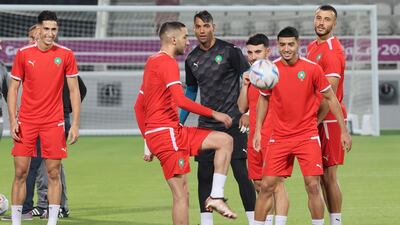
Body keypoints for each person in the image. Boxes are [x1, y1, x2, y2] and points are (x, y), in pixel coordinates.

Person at [134, 21, 237, 225]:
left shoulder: (152, 61)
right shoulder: (167, 62)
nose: (188, 41)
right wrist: (214, 113)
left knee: (225, 141)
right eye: (185, 37)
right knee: (181, 196)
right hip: (166, 135)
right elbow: (181, 101)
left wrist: (148, 140)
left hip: (170, 132)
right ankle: (214, 197)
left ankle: (216, 197)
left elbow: (139, 106)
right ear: (173, 39)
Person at [252, 27, 352, 225]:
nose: (286, 49)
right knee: (266, 186)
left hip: (307, 136)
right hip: (279, 137)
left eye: (290, 44)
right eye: (282, 45)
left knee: (313, 185)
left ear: (298, 44)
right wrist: (258, 130)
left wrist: (344, 131)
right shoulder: (271, 70)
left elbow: (331, 98)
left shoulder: (312, 68)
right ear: (277, 45)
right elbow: (264, 100)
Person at [180, 10, 256, 225]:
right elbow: (191, 93)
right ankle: (206, 222)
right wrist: (180, 121)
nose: (202, 30)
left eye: (206, 26)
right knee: (204, 175)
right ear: (194, 29)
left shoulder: (230, 51)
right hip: (206, 125)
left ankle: (254, 221)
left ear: (213, 27)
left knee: (241, 173)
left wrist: (248, 113)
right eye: (198, 27)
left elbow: (249, 80)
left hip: (234, 121)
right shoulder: (192, 59)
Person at [7, 10, 81, 225]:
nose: (50, 33)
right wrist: (13, 120)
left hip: (53, 122)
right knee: (21, 172)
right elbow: (13, 89)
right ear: (38, 29)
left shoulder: (66, 54)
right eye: (46, 29)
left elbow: (74, 90)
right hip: (27, 122)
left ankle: (52, 222)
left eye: (54, 29)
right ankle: (15, 222)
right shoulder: (23, 53)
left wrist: (75, 123)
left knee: (53, 173)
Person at [237, 33, 289, 225]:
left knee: (276, 184)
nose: (253, 56)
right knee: (258, 183)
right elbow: (242, 107)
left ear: (267, 51)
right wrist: (244, 85)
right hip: (255, 136)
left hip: (274, 135)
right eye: (249, 52)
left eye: (257, 52)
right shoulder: (251, 76)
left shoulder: (274, 73)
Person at [307, 5, 348, 225]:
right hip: (317, 117)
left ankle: (336, 222)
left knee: (329, 177)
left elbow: (328, 95)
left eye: (327, 19)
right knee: (319, 177)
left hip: (328, 119)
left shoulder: (332, 51)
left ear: (334, 24)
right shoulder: (313, 46)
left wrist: (313, 122)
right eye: (318, 18)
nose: (321, 23)